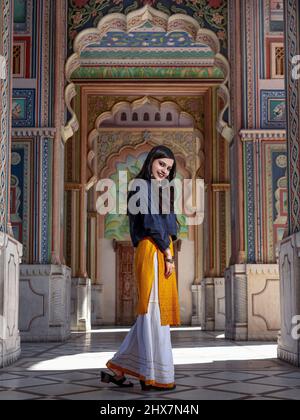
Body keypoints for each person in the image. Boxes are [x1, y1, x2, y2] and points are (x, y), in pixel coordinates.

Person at [101, 145, 180, 391]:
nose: (164, 170)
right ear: (150, 163)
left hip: (163, 248)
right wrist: (167, 253)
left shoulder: (163, 190)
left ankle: (120, 367)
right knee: (151, 311)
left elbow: (172, 225)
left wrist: (168, 248)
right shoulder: (140, 186)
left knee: (157, 313)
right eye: (161, 165)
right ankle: (150, 375)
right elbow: (149, 220)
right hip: (152, 250)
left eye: (169, 167)